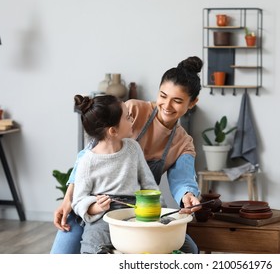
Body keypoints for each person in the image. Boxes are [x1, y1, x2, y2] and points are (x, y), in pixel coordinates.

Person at [51, 56, 203, 254]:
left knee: (187, 248)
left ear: (192, 103)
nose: (166, 105)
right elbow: (88, 156)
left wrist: (187, 196)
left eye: (177, 101)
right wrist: (68, 199)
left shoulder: (183, 143)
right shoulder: (130, 110)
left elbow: (181, 180)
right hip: (93, 208)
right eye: (163, 96)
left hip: (139, 210)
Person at [71, 94, 163, 254]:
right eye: (128, 117)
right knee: (91, 247)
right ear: (113, 131)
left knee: (185, 244)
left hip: (137, 209)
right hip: (104, 216)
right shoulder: (87, 161)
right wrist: (95, 207)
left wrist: (161, 209)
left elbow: (149, 184)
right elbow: (78, 202)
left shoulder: (133, 148)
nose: (132, 119)